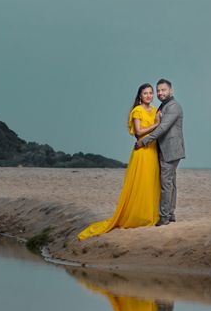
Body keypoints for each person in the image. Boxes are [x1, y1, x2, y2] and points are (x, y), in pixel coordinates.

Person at [77, 84, 161, 240]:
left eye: (151, 93)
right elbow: (138, 133)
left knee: (150, 184)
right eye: (145, 93)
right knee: (139, 183)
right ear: (140, 96)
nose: (149, 96)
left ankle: (149, 216)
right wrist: (156, 124)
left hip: (153, 151)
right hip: (142, 151)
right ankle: (135, 217)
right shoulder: (137, 111)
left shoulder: (156, 110)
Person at [135, 79, 184, 226]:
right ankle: (170, 214)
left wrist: (144, 141)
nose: (160, 93)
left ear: (171, 91)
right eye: (159, 91)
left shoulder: (174, 106)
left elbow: (162, 128)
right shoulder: (164, 105)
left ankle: (164, 218)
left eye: (163, 90)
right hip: (166, 148)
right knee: (170, 183)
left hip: (171, 149)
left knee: (166, 184)